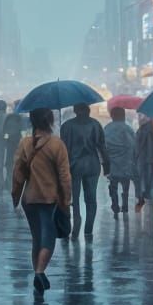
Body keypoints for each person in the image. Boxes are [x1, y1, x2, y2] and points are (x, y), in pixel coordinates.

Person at [11, 107, 71, 298]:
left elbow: (18, 173)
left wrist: (15, 195)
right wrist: (66, 199)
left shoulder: (25, 143)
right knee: (49, 237)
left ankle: (37, 271)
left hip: (29, 199)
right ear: (50, 120)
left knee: (37, 238)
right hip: (49, 198)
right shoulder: (57, 145)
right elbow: (65, 176)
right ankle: (39, 272)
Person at [61, 102, 108, 239]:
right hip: (92, 165)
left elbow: (63, 150)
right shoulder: (96, 124)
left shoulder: (67, 126)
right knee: (91, 199)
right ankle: (89, 229)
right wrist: (107, 166)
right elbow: (102, 147)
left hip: (73, 166)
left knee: (74, 198)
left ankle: (76, 223)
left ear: (75, 110)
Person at [103, 105, 138, 213]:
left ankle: (115, 204)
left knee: (113, 185)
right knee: (125, 185)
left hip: (112, 162)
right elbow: (134, 145)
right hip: (125, 163)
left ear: (112, 116)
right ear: (123, 116)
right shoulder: (128, 128)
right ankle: (125, 205)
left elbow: (103, 145)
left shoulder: (107, 128)